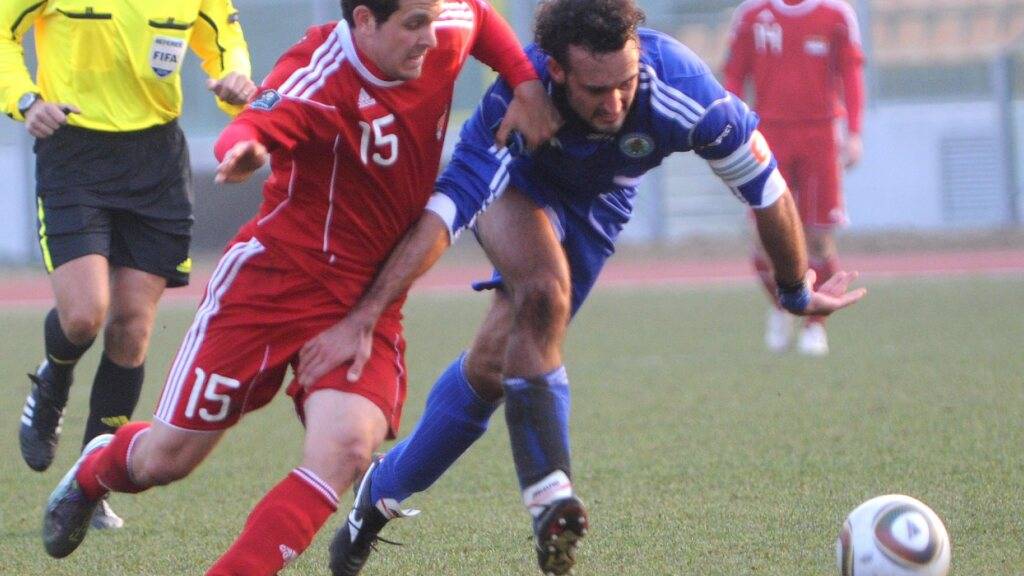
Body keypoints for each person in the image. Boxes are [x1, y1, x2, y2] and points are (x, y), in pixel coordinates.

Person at [291, 1, 866, 574]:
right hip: (515, 190)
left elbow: (766, 190)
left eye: (626, 83)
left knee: (493, 367)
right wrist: (366, 315)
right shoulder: (514, 104)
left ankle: (378, 496)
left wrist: (794, 290)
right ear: (558, 72)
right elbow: (445, 218)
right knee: (544, 289)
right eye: (597, 89)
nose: (615, 103)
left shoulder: (682, 89)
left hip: (600, 206)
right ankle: (549, 500)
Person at [40, 0, 560, 573]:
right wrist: (244, 149)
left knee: (345, 450)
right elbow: (256, 120)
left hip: (369, 296)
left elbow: (481, 19)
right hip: (272, 289)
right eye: (414, 26)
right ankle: (94, 469)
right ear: (363, 20)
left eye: (433, 20)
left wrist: (526, 83)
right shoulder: (320, 72)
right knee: (166, 460)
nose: (432, 40)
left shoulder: (443, 27)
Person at [2, 0, 255, 529]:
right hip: (72, 151)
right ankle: (54, 381)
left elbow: (225, 44)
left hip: (155, 161)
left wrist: (236, 81)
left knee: (133, 328)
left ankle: (89, 482)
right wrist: (26, 101)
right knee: (84, 316)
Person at [723, 0, 866, 356]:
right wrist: (730, 128)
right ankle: (782, 306)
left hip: (820, 134)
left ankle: (815, 327)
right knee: (761, 238)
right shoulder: (751, 15)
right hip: (766, 134)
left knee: (818, 238)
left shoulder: (836, 14)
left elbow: (851, 73)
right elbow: (734, 74)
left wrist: (854, 132)